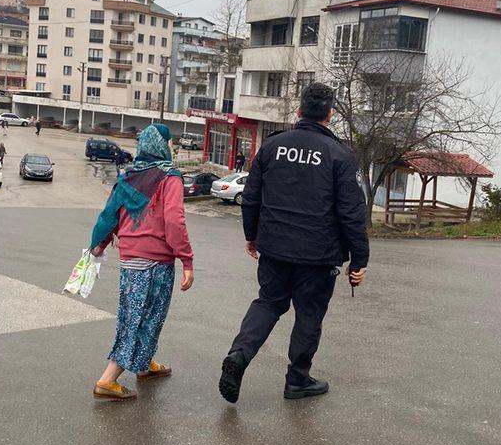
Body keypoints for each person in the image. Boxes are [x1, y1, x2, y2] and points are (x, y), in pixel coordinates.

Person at [219, 82, 369, 404]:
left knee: (269, 303)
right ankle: (297, 380)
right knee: (309, 315)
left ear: (299, 111)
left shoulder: (273, 146)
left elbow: (251, 197)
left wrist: (252, 235)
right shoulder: (341, 155)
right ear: (330, 114)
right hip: (318, 256)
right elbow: (352, 213)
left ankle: (238, 356)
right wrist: (359, 261)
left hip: (274, 247)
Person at [90, 124, 194, 401]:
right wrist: (187, 260)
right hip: (155, 263)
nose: (172, 147)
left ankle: (144, 364)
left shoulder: (129, 176)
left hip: (130, 261)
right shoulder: (169, 178)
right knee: (140, 320)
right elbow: (174, 221)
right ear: (163, 144)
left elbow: (109, 215)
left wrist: (98, 245)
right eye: (170, 142)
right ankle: (108, 380)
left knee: (142, 317)